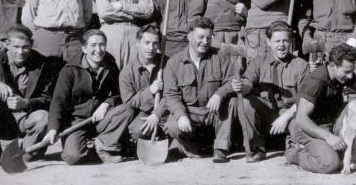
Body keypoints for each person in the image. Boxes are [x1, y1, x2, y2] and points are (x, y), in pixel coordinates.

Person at [0, 25, 61, 169]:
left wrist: (26, 103)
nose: (20, 52)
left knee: (43, 121)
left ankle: (26, 149)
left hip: (27, 119)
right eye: (16, 47)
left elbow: (48, 99)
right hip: (1, 120)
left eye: (25, 47)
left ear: (31, 45)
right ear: (7, 45)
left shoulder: (42, 64)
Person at [44, 29, 136, 164]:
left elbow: (119, 93)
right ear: (84, 48)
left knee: (127, 109)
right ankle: (88, 149)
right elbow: (58, 101)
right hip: (76, 121)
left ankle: (103, 146)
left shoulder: (110, 64)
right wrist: (53, 128)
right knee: (73, 157)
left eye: (102, 44)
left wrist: (106, 104)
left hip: (100, 118)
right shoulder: (70, 70)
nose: (98, 50)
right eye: (93, 45)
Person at [163, 18, 242, 163]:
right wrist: (181, 116)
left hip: (214, 112)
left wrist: (219, 94)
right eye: (201, 37)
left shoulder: (220, 56)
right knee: (172, 125)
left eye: (209, 37)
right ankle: (193, 148)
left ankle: (220, 149)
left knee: (233, 102)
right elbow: (171, 96)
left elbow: (232, 80)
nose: (205, 42)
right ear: (189, 36)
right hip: (190, 113)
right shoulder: (174, 63)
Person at [286, 42, 356, 174]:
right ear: (333, 66)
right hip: (307, 128)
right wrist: (329, 137)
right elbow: (301, 118)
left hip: (330, 123)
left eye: (352, 71)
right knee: (330, 163)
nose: (351, 76)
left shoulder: (344, 75)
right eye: (347, 71)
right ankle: (295, 152)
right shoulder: (315, 82)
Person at [236, 21, 309, 162]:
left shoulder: (301, 66)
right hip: (268, 113)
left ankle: (292, 145)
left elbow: (305, 100)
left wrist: (286, 117)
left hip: (291, 114)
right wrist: (241, 86)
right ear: (268, 42)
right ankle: (257, 148)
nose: (281, 45)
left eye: (285, 41)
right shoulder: (258, 62)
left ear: (291, 42)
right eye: (277, 41)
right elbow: (248, 83)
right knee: (245, 102)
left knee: (298, 139)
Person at [118, 25, 167, 145]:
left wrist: (157, 114)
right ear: (137, 43)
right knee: (138, 130)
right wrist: (150, 91)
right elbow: (129, 103)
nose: (151, 48)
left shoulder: (166, 64)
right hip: (142, 113)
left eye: (155, 43)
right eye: (147, 43)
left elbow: (173, 95)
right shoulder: (127, 72)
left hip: (166, 111)